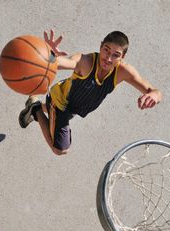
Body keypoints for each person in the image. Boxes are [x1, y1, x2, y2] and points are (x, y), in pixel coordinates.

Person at [19, 29, 162, 156]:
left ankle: (40, 107)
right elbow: (64, 63)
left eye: (115, 55)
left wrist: (154, 95)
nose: (108, 58)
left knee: (60, 113)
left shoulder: (123, 72)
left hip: (75, 107)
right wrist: (49, 57)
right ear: (100, 46)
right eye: (106, 50)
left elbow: (154, 91)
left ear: (122, 57)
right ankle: (36, 108)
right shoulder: (85, 61)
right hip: (60, 103)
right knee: (60, 150)